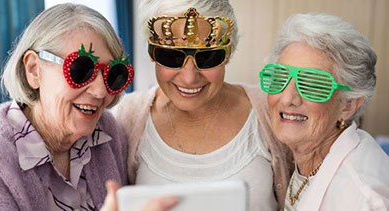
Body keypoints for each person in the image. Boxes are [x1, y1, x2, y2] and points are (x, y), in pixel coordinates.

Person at [0, 3, 177, 211]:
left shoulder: (107, 133)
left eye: (113, 75)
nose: (100, 92)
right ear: (34, 70)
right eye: (81, 69)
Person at [111, 0, 293, 210]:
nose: (189, 78)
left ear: (228, 54)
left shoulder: (270, 109)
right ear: (153, 53)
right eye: (171, 56)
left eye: (207, 57)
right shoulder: (126, 117)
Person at [259, 13, 389, 210]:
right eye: (280, 77)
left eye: (312, 85)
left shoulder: (363, 198)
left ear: (348, 105)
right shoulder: (311, 156)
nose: (287, 99)